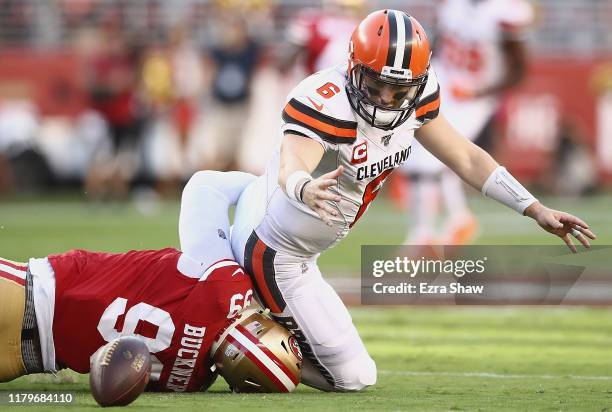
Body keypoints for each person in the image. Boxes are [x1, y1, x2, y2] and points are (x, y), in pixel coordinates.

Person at [186, 9, 596, 393]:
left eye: (397, 88)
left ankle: (232, 297)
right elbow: (294, 158)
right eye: (376, 83)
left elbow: (467, 157)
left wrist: (534, 207)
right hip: (274, 251)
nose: (384, 98)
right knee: (339, 379)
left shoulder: (418, 98)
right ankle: (230, 323)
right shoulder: (326, 99)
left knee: (361, 375)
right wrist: (303, 186)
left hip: (300, 252)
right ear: (352, 66)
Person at [0, 171, 300, 393]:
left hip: (29, 294)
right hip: (28, 358)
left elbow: (204, 188)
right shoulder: (190, 383)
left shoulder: (225, 287)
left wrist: (269, 189)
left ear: (260, 330)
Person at [401, 0, 534, 244]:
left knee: (429, 158)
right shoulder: (453, 5)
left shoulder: (506, 11)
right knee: (426, 153)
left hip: (474, 96)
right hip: (444, 85)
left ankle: (422, 234)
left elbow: (519, 71)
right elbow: (439, 45)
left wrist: (479, 93)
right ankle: (459, 220)